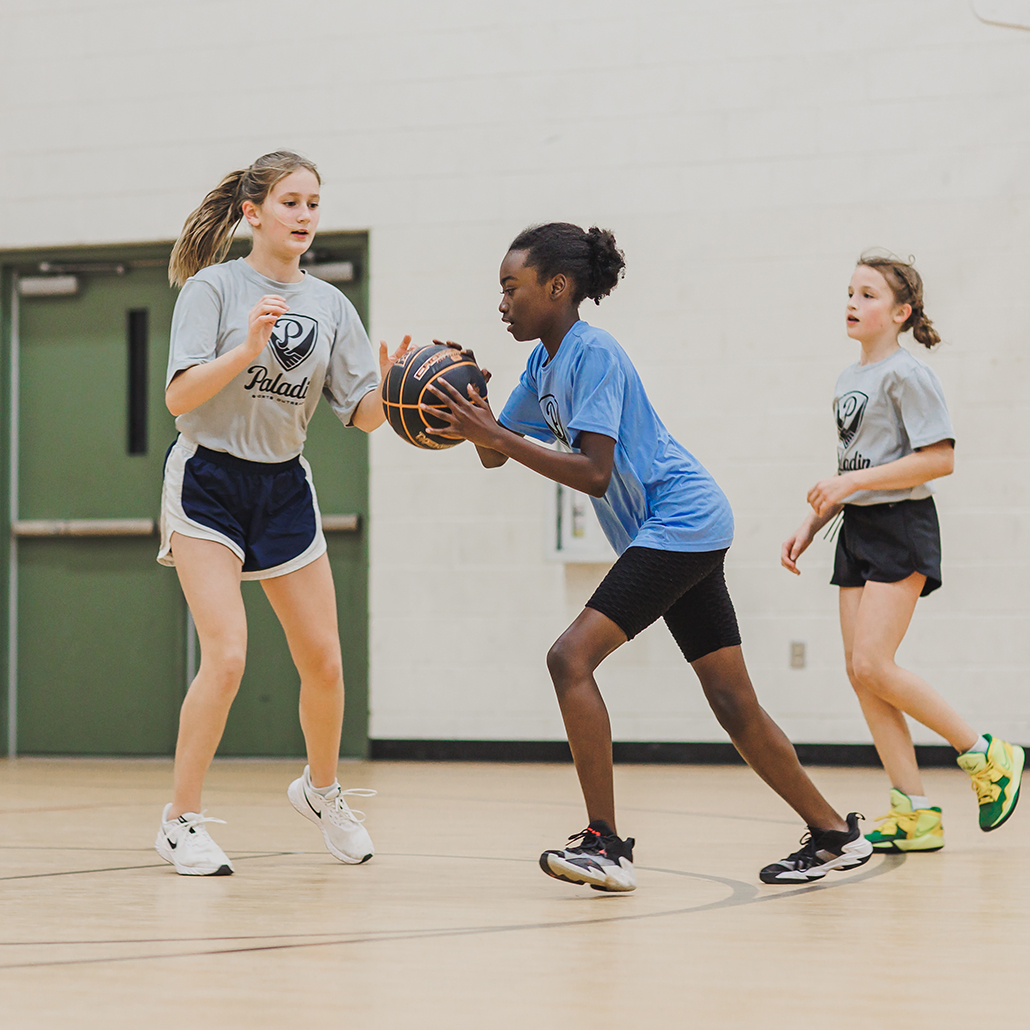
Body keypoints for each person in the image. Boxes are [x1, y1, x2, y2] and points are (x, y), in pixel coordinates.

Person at [425, 222, 872, 890]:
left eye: (512, 288)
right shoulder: (542, 367)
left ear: (557, 287)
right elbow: (496, 454)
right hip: (675, 529)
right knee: (731, 698)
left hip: (681, 519)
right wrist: (478, 411)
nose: (502, 304)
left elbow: (594, 473)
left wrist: (495, 434)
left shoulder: (593, 352)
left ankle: (604, 843)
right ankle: (835, 832)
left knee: (568, 658)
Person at [155, 150, 410, 875]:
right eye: (291, 202)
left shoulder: (331, 305)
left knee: (324, 661)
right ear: (254, 212)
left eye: (313, 204)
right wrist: (247, 350)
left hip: (283, 486)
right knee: (228, 655)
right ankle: (179, 820)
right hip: (208, 482)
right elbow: (178, 398)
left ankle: (321, 792)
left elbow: (361, 415)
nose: (305, 216)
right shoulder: (211, 288)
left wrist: (397, 389)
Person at [781, 254, 1024, 853]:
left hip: (901, 526)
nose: (852, 302)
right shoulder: (849, 378)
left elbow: (939, 458)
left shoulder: (908, 375)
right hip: (857, 528)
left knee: (874, 663)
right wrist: (813, 521)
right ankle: (914, 811)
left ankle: (986, 754)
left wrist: (850, 484)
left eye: (868, 294)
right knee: (861, 674)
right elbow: (854, 468)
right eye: (850, 292)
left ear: (901, 313)